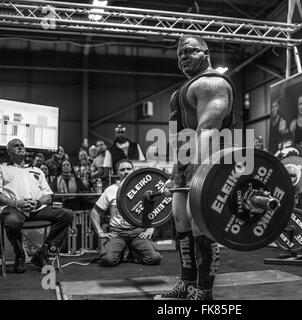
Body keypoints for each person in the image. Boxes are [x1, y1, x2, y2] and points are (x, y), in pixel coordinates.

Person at [154, 35, 235, 301]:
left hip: (208, 163)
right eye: (179, 55)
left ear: (206, 52)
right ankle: (187, 283)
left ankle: (204, 291)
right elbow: (180, 139)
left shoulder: (212, 83)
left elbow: (208, 130)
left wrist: (201, 173)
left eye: (189, 51)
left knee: (201, 224)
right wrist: (175, 172)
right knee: (181, 221)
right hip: (186, 166)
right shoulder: (179, 93)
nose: (183, 57)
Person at [0, 139, 73, 273]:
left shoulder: (37, 170)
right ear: (8, 152)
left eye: (22, 145)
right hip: (14, 209)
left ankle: (43, 253)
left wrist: (38, 202)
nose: (21, 147)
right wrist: (17, 203)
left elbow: (48, 195)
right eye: (16, 146)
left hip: (37, 209)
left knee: (67, 214)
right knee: (11, 221)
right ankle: (20, 255)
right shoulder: (2, 168)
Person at [90, 159, 162, 267]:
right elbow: (94, 212)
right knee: (108, 260)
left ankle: (133, 253)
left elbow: (155, 209)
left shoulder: (144, 190)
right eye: (122, 169)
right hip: (118, 233)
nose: (126, 171)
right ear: (117, 173)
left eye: (129, 169)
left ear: (133, 171)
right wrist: (100, 232)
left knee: (155, 258)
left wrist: (151, 228)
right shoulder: (111, 190)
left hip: (138, 232)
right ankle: (121, 253)